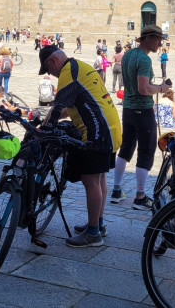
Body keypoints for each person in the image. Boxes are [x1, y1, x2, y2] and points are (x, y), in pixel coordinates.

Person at [38, 45, 122, 247]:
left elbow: (58, 108)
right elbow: (71, 106)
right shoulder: (80, 66)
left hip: (97, 133)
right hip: (111, 129)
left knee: (90, 180)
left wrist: (42, 130)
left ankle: (93, 234)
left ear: (53, 61)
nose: (51, 74)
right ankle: (98, 224)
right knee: (99, 178)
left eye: (49, 70)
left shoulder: (68, 72)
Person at [112, 25, 171, 210]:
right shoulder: (144, 60)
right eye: (157, 39)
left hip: (128, 109)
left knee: (126, 148)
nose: (159, 43)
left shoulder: (129, 54)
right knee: (146, 151)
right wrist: (162, 88)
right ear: (148, 39)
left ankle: (116, 189)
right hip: (142, 111)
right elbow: (144, 88)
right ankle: (140, 196)